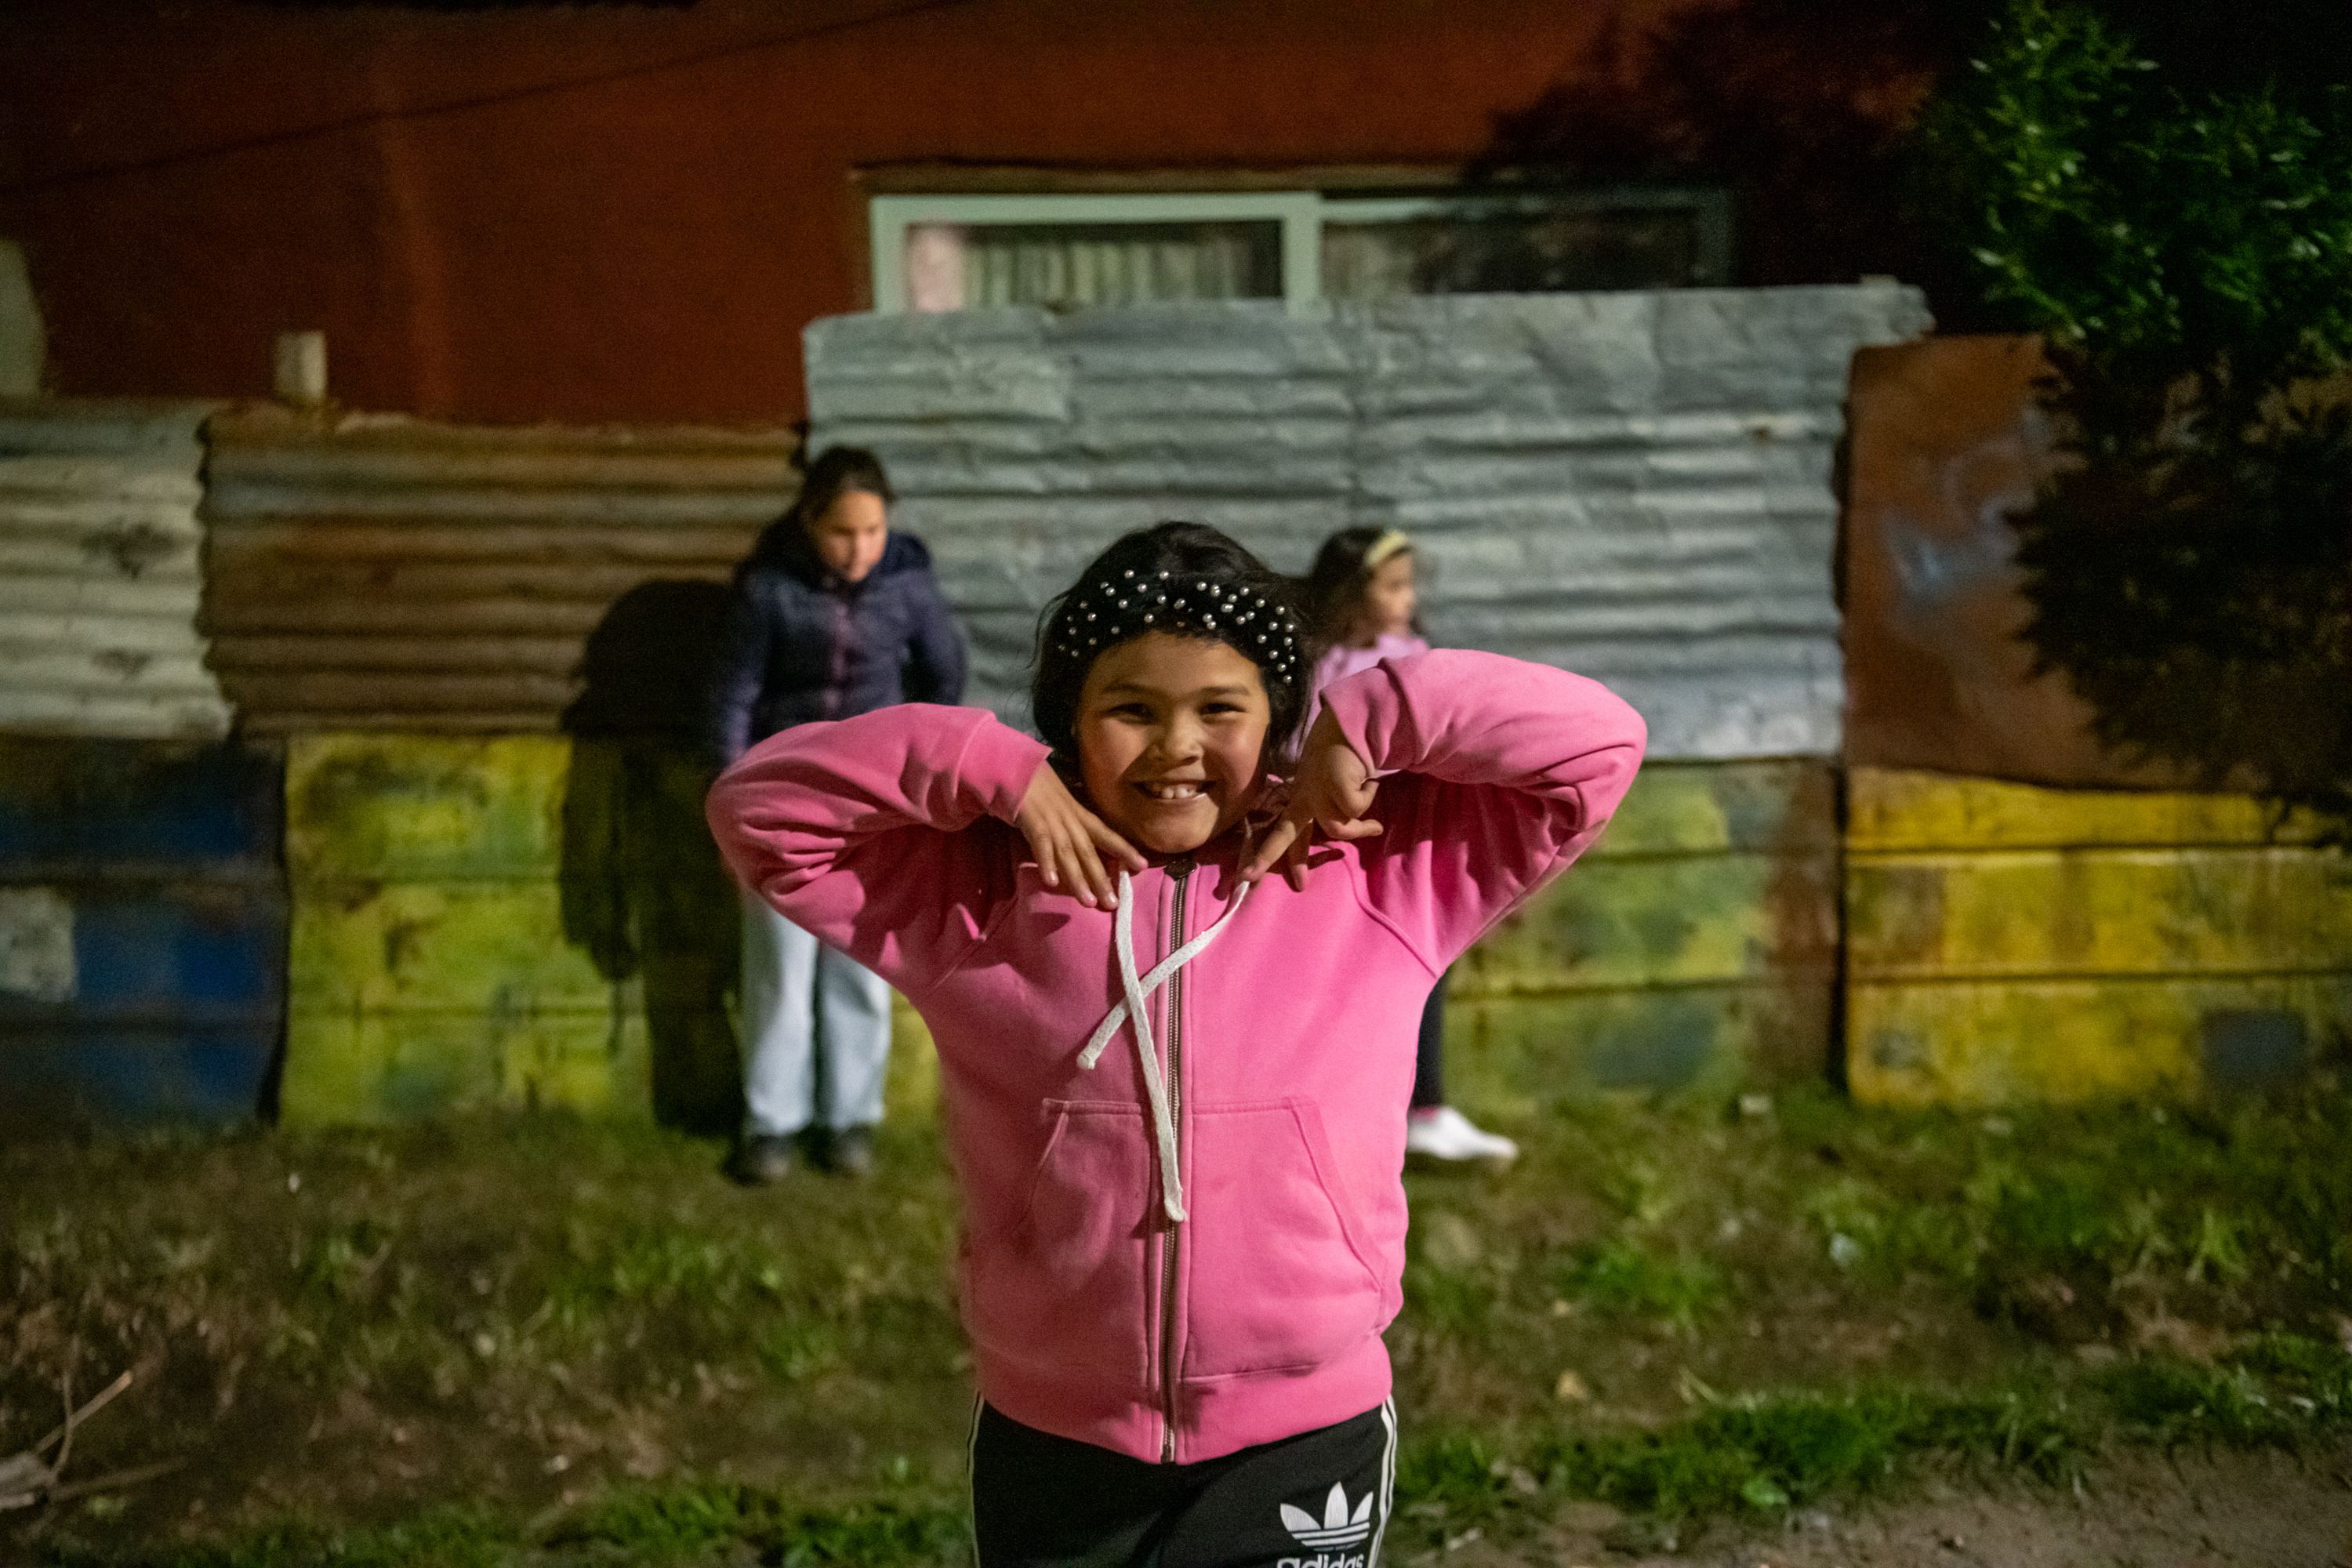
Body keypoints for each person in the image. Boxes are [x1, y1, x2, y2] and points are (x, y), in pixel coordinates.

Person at [707, 521, 1643, 1565]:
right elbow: (759, 811)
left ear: (1276, 718)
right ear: (1070, 721)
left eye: (1220, 710)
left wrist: (1373, 715)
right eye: (1131, 710)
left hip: (1300, 1442)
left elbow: (1598, 744)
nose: (1176, 747)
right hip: (1055, 1434)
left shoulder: (1377, 875)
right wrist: (988, 768)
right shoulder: (975, 896)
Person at [705, 445, 966, 1181]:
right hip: (782, 803)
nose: (859, 550)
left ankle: (850, 1119)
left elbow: (944, 681)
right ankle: (771, 1125)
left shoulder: (911, 587)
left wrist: (928, 788)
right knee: (779, 972)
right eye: (842, 533)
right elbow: (732, 701)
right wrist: (729, 813)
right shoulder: (768, 592)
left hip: (876, 810)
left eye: (873, 531)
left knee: (861, 965)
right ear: (808, 522)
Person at [1303, 526, 1518, 1165]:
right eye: (1391, 585)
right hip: (1332, 847)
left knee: (1424, 970)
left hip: (1401, 847)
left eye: (1409, 585)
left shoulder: (1415, 659)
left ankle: (1423, 1107)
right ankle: (1350, 1113)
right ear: (1350, 591)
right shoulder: (1317, 666)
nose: (1406, 598)